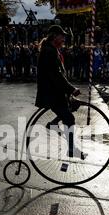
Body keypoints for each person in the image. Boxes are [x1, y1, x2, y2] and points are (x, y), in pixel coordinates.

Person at [35, 25, 84, 159]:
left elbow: (58, 75)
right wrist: (71, 89)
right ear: (54, 36)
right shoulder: (49, 51)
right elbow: (55, 76)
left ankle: (53, 124)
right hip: (51, 94)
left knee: (73, 106)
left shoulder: (52, 50)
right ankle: (72, 149)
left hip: (55, 92)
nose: (64, 39)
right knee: (69, 118)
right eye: (62, 36)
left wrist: (69, 92)